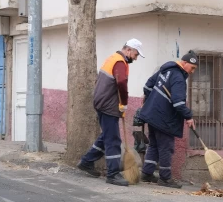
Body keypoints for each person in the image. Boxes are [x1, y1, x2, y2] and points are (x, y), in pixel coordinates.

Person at [77, 38, 144, 186]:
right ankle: (112, 174)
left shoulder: (112, 58)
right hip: (108, 105)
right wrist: (123, 104)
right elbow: (121, 83)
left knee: (106, 136)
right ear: (128, 50)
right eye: (136, 54)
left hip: (102, 102)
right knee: (113, 140)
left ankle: (86, 162)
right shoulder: (120, 62)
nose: (136, 58)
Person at [138, 51, 199, 188]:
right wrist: (188, 116)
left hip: (151, 115)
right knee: (166, 147)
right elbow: (178, 103)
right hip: (164, 118)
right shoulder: (178, 77)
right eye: (192, 68)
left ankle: (147, 173)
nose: (192, 72)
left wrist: (149, 99)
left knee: (154, 145)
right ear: (184, 63)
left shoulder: (165, 70)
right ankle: (165, 178)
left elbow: (148, 86)